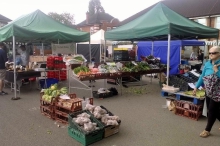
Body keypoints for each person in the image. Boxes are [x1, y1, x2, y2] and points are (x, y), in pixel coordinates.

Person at [193, 46, 220, 138]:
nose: (211, 55)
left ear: (219, 53)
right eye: (210, 53)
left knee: (212, 110)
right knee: (211, 109)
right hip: (209, 91)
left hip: (218, 92)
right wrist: (196, 86)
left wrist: (217, 71)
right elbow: (202, 76)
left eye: (214, 53)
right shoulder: (207, 64)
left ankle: (207, 130)